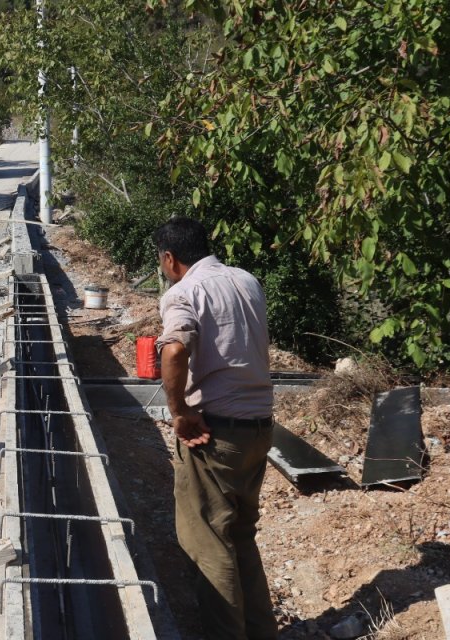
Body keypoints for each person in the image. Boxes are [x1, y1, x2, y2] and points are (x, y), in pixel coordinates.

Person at [153, 217, 277, 639]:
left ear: (170, 258)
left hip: (216, 434)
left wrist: (180, 410)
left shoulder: (183, 292)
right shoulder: (247, 280)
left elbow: (173, 351)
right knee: (240, 537)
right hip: (259, 429)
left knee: (208, 545)